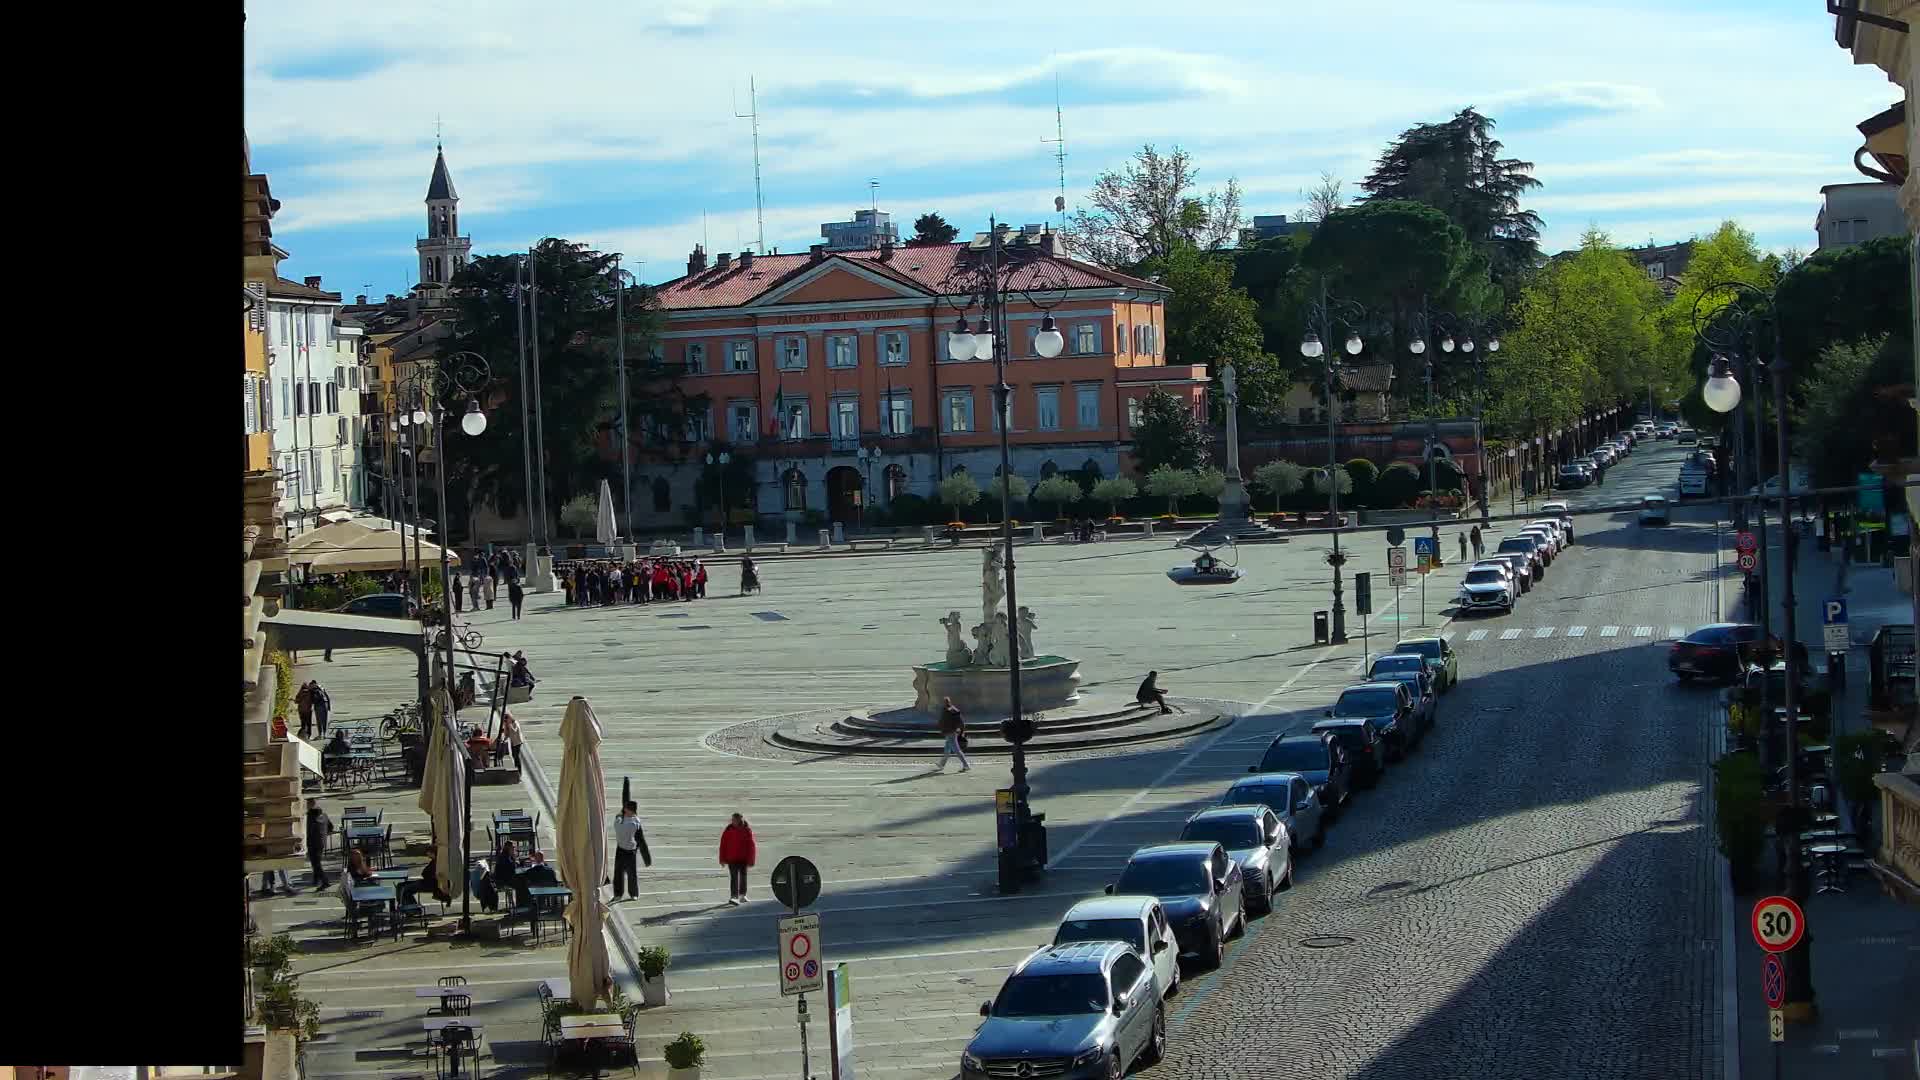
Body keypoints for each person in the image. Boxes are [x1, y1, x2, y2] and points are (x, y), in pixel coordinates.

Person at [612, 801, 652, 902]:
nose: (633, 812)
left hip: (631, 851)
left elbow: (640, 838)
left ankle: (633, 893)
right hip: (620, 849)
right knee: (618, 873)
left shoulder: (634, 821)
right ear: (626, 810)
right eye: (631, 810)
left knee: (632, 873)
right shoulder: (620, 819)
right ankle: (618, 894)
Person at [718, 813, 757, 905]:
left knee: (743, 877)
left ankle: (743, 895)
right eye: (732, 820)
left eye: (734, 820)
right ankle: (734, 897)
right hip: (731, 859)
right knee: (734, 878)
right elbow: (723, 845)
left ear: (739, 820)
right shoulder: (728, 830)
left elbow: (751, 846)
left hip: (743, 859)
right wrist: (722, 859)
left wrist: (751, 860)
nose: (732, 821)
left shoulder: (747, 830)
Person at [934, 697, 971, 773]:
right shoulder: (950, 710)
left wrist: (961, 730)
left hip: (950, 732)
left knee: (956, 750)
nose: (944, 703)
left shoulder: (951, 711)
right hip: (949, 732)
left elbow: (959, 721)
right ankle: (941, 764)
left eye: (945, 702)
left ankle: (966, 765)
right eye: (944, 702)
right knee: (947, 748)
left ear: (948, 702)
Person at [306, 803, 334, 890]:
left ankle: (325, 881)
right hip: (321, 843)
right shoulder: (324, 816)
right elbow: (331, 827)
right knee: (316, 862)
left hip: (312, 844)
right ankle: (316, 879)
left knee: (316, 863)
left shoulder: (311, 820)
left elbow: (307, 831)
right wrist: (324, 834)